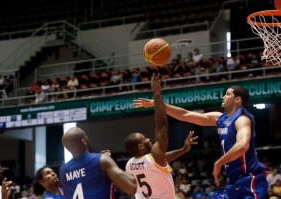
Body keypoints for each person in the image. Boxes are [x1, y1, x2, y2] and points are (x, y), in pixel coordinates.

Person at [133, 85, 268, 198]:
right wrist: (158, 104)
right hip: (234, 181)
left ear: (237, 99)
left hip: (249, 179)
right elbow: (185, 114)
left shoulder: (242, 119)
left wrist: (219, 162)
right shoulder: (220, 118)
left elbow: (243, 145)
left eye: (227, 94)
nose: (224, 97)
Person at [125, 74, 198, 199]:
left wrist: (183, 150)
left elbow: (160, 160)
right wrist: (157, 94)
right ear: (141, 146)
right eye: (144, 138)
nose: (148, 139)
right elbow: (161, 125)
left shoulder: (129, 165)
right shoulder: (154, 157)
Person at [59, 127, 137, 199]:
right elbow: (131, 188)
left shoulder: (63, 171)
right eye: (85, 135)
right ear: (83, 141)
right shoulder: (102, 160)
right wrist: (108, 161)